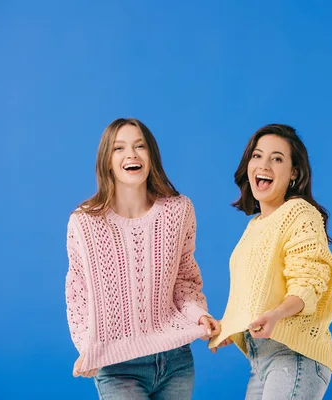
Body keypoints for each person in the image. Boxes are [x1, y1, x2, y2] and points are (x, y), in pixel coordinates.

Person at [65, 117, 220, 399]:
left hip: (175, 360)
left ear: (151, 156)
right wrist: (87, 348)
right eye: (119, 148)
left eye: (140, 146)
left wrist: (201, 316)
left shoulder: (179, 211)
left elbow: (185, 282)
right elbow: (78, 295)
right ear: (107, 161)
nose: (131, 155)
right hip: (117, 366)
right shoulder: (84, 222)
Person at [209, 124, 332, 399]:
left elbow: (309, 284)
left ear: (294, 172)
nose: (264, 164)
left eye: (277, 158)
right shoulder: (255, 225)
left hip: (293, 355)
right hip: (261, 361)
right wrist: (227, 328)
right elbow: (257, 296)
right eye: (257, 156)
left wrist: (277, 315)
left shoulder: (300, 213)